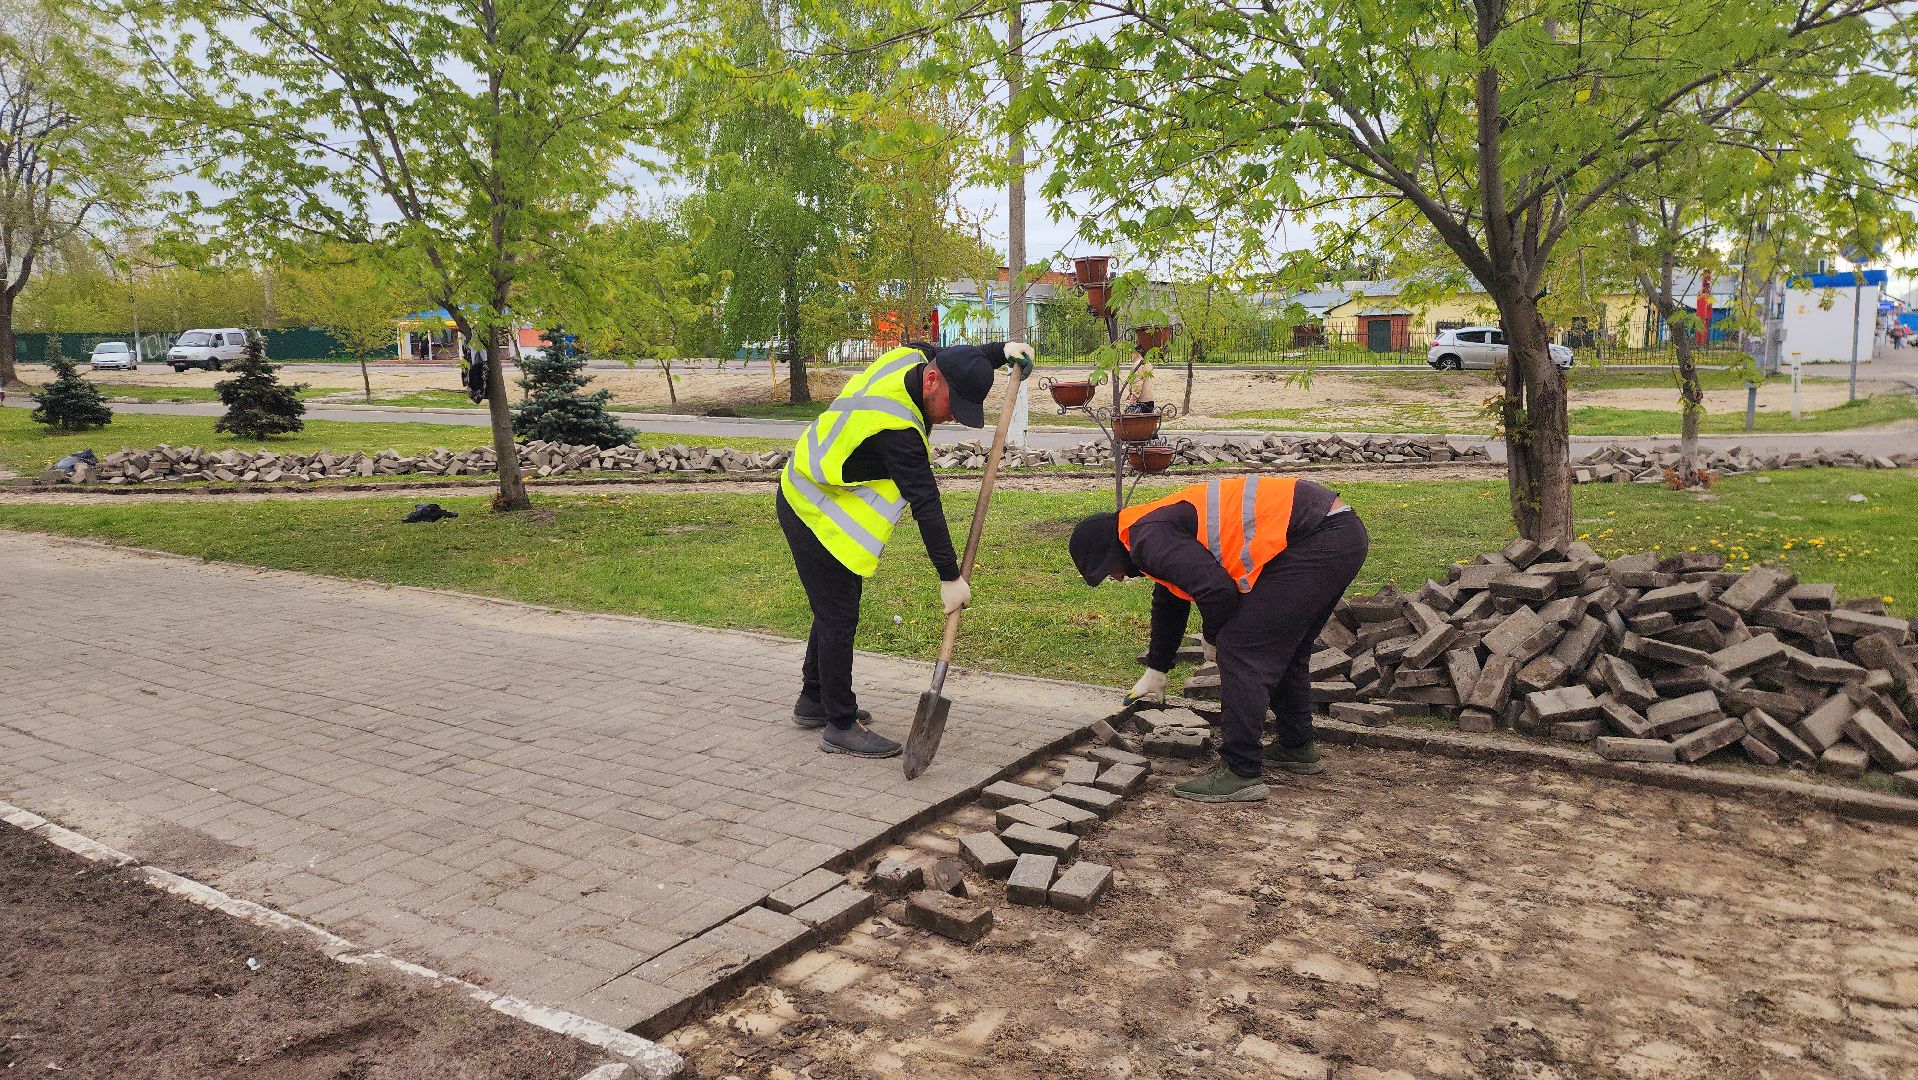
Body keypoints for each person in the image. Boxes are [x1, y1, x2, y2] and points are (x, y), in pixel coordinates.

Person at [779, 339, 1034, 758]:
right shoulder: (897, 429)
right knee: (838, 613)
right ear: (932, 380)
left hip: (815, 490)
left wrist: (998, 351)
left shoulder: (911, 358)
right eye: (954, 405)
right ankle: (839, 724)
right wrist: (950, 577)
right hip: (811, 507)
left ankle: (813, 699)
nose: (953, 416)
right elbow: (927, 504)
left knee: (832, 607)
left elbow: (949, 351)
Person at [1067, 476, 1369, 803]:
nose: (1116, 577)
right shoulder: (1149, 530)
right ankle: (1296, 746)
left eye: (1107, 571)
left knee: (1241, 648)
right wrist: (1157, 668)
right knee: (1285, 648)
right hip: (1334, 532)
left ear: (1108, 550)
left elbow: (1217, 592)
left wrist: (1213, 638)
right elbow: (1171, 599)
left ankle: (1240, 771)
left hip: (1319, 535)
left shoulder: (1147, 538)